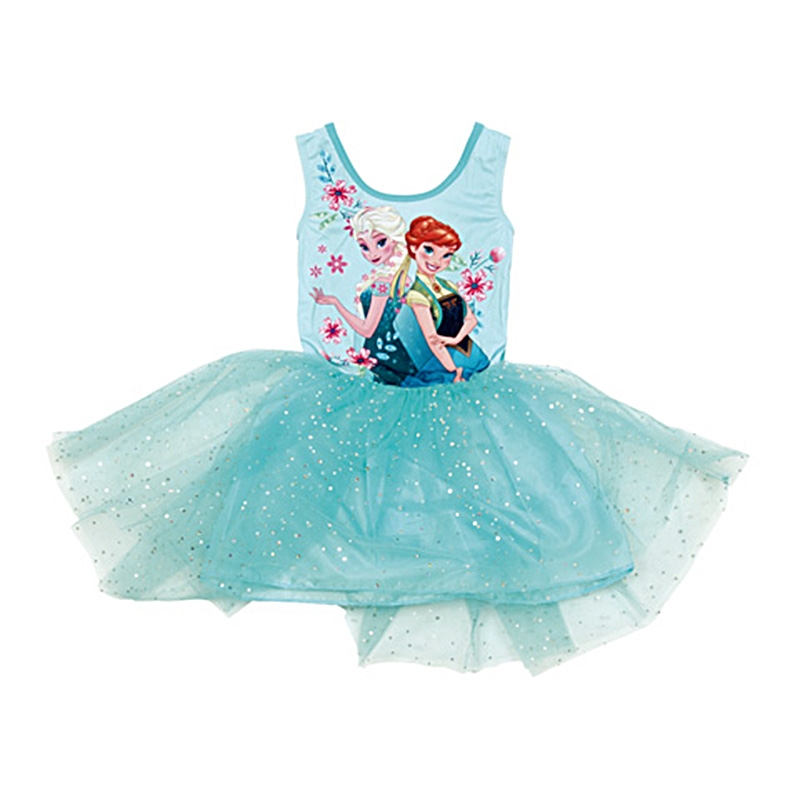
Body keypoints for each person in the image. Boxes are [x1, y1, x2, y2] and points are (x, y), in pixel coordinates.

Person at [394, 215, 490, 386]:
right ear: (414, 248)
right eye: (429, 250)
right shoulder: (418, 295)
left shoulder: (448, 285)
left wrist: (455, 339)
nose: (437, 261)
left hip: (471, 355)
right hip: (446, 362)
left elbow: (471, 319)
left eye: (446, 255)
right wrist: (453, 370)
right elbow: (433, 340)